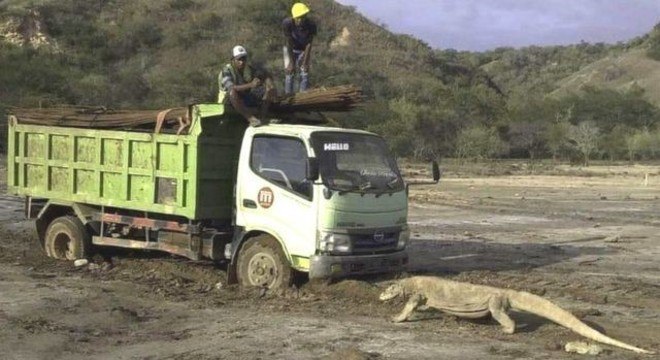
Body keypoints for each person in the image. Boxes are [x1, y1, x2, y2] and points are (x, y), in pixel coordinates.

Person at [219, 45, 276, 126]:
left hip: (245, 96)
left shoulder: (248, 68)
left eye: (243, 59)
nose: (241, 62)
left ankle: (262, 117)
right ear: (233, 60)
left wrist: (268, 81)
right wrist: (251, 85)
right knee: (232, 92)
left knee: (268, 89)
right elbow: (231, 87)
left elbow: (263, 74)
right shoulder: (226, 70)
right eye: (239, 59)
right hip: (229, 100)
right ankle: (250, 118)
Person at [282, 2, 317, 95]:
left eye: (303, 17)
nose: (300, 20)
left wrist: (305, 62)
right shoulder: (287, 23)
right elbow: (288, 42)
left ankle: (303, 96)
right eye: (298, 18)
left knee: (304, 73)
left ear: (306, 16)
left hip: (304, 49)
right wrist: (291, 63)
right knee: (290, 72)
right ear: (293, 17)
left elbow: (309, 43)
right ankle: (288, 96)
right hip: (290, 48)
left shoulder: (311, 25)